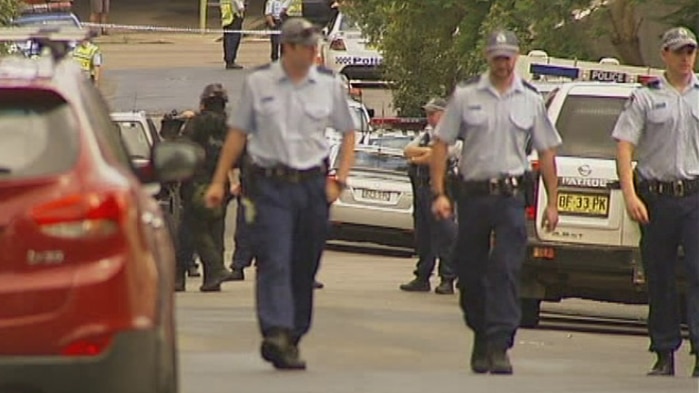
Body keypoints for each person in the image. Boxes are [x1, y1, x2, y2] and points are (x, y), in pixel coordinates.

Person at [204, 18, 356, 370]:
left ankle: (293, 334)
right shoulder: (260, 83)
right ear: (286, 48)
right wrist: (219, 180)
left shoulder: (328, 87)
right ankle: (275, 330)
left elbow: (348, 134)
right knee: (274, 257)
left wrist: (340, 179)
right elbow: (238, 133)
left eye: (314, 46)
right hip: (270, 185)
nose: (312, 52)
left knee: (304, 263)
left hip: (312, 186)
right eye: (306, 46)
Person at [431, 29, 561, 375]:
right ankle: (481, 334)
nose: (502, 63)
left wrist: (553, 202)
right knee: (470, 272)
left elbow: (547, 151)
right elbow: (441, 144)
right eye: (497, 57)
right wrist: (439, 192)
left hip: (510, 197)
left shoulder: (530, 100)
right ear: (488, 57)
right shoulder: (467, 96)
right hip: (473, 196)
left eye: (508, 57)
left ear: (516, 57)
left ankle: (501, 343)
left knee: (505, 269)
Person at [612, 27, 699, 377]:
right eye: (678, 51)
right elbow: (624, 146)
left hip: (695, 196)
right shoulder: (646, 97)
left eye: (690, 51)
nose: (685, 57)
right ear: (664, 54)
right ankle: (664, 351)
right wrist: (631, 194)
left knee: (698, 273)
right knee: (660, 276)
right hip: (658, 199)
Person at [174, 84, 235, 292]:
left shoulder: (195, 124)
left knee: (189, 230)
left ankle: (183, 277)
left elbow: (182, 149)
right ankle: (212, 277)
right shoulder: (230, 127)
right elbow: (240, 154)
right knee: (215, 229)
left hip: (196, 183)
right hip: (221, 184)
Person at [228, 168, 325, 289]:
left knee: (294, 232)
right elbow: (233, 162)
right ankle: (239, 266)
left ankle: (301, 273)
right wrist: (234, 182)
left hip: (292, 185)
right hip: (254, 183)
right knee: (246, 228)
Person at [400, 97, 459, 295]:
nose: (429, 117)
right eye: (428, 113)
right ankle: (422, 276)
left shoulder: (453, 133)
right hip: (423, 188)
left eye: (432, 113)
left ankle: (447, 278)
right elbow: (407, 150)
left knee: (446, 234)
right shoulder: (427, 134)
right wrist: (425, 154)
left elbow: (439, 157)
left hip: (443, 189)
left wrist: (424, 156)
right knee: (423, 234)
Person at [221, 0, 246, 69]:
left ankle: (229, 60)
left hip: (227, 17)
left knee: (227, 39)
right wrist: (241, 8)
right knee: (233, 39)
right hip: (234, 16)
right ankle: (231, 60)